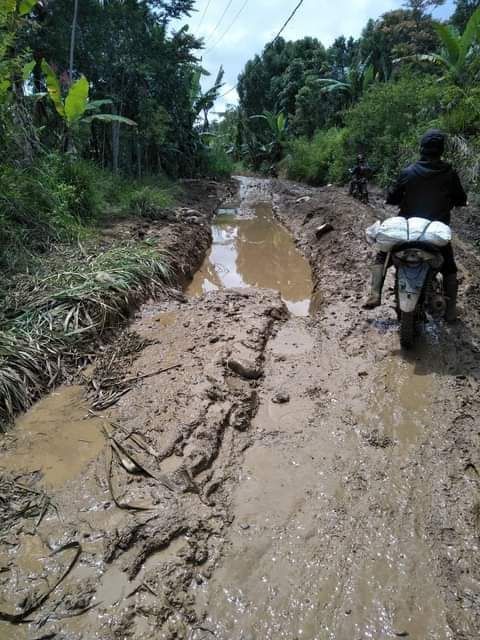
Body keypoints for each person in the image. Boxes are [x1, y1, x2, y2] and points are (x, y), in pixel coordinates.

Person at [364, 129, 467, 322]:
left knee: (382, 254)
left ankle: (375, 293)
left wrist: (396, 199)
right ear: (441, 150)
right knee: (450, 269)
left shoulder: (408, 172)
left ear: (422, 149)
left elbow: (393, 197)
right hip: (434, 233)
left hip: (407, 232)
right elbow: (461, 198)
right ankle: (451, 311)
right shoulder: (450, 174)